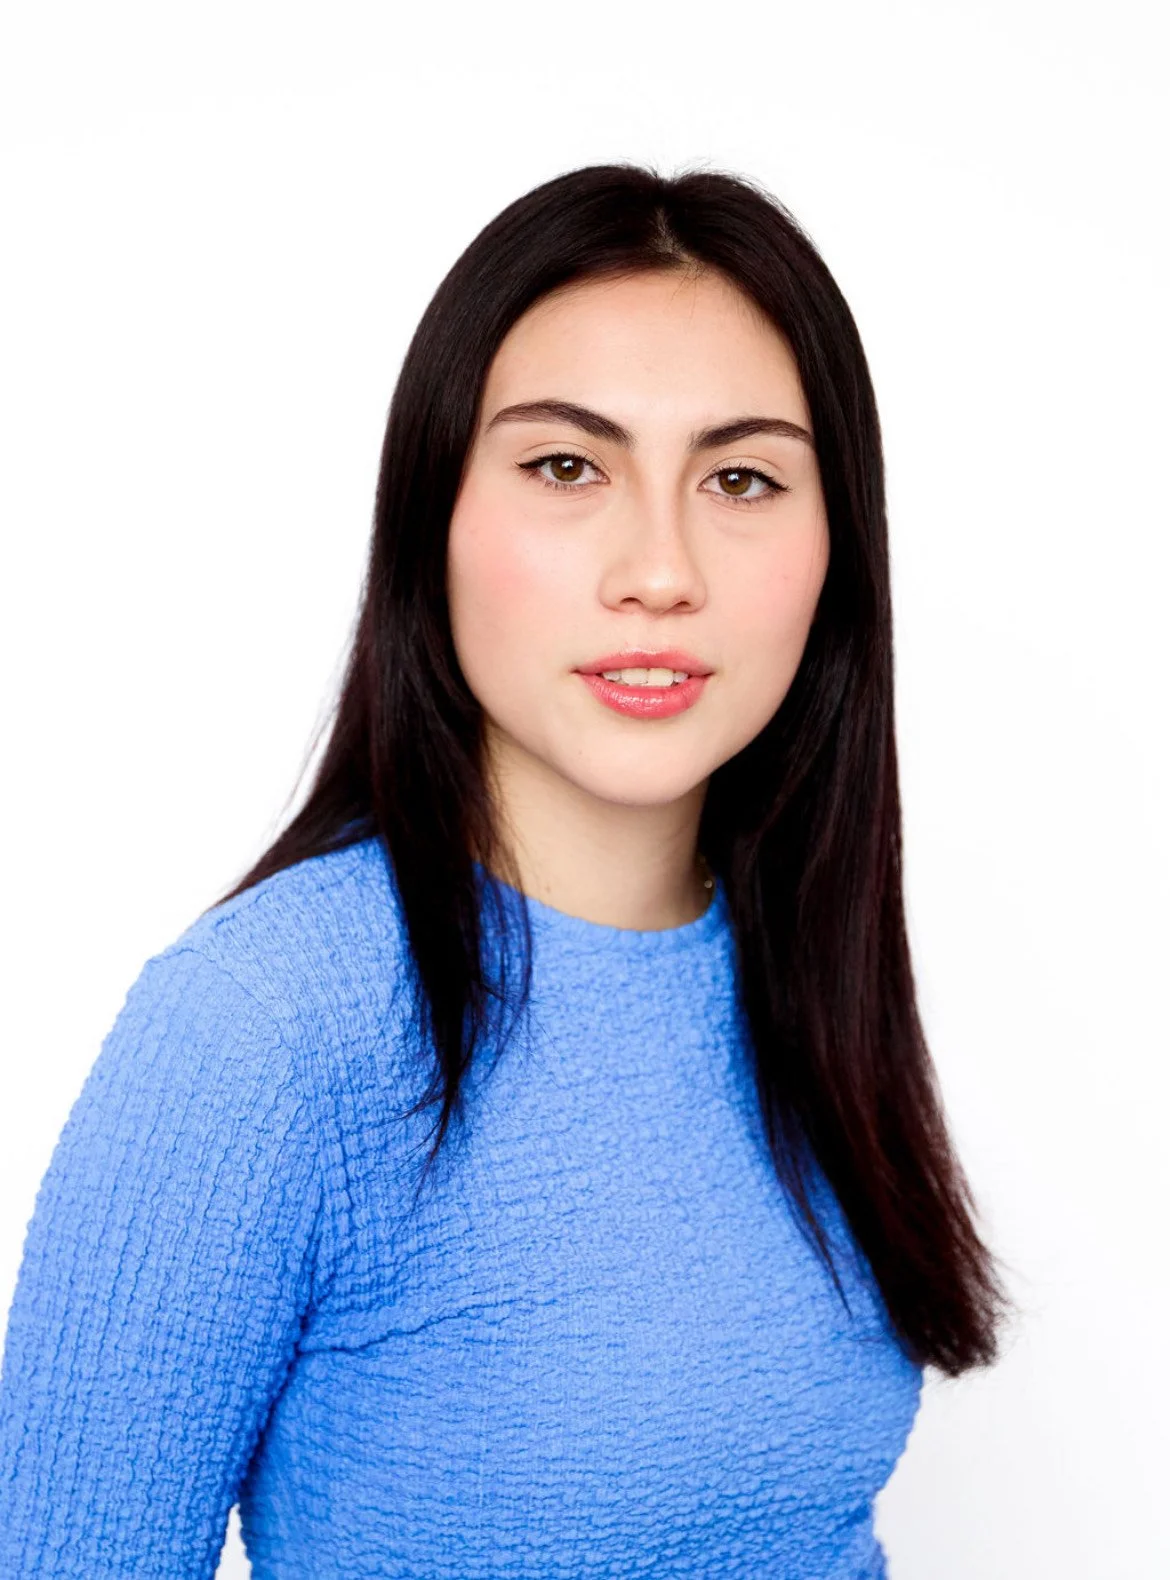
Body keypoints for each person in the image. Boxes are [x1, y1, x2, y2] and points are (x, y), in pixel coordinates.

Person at [0, 162, 1008, 1579]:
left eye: (739, 478)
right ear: (434, 523)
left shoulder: (798, 973)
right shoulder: (266, 1029)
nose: (658, 570)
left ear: (834, 551)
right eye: (565, 466)